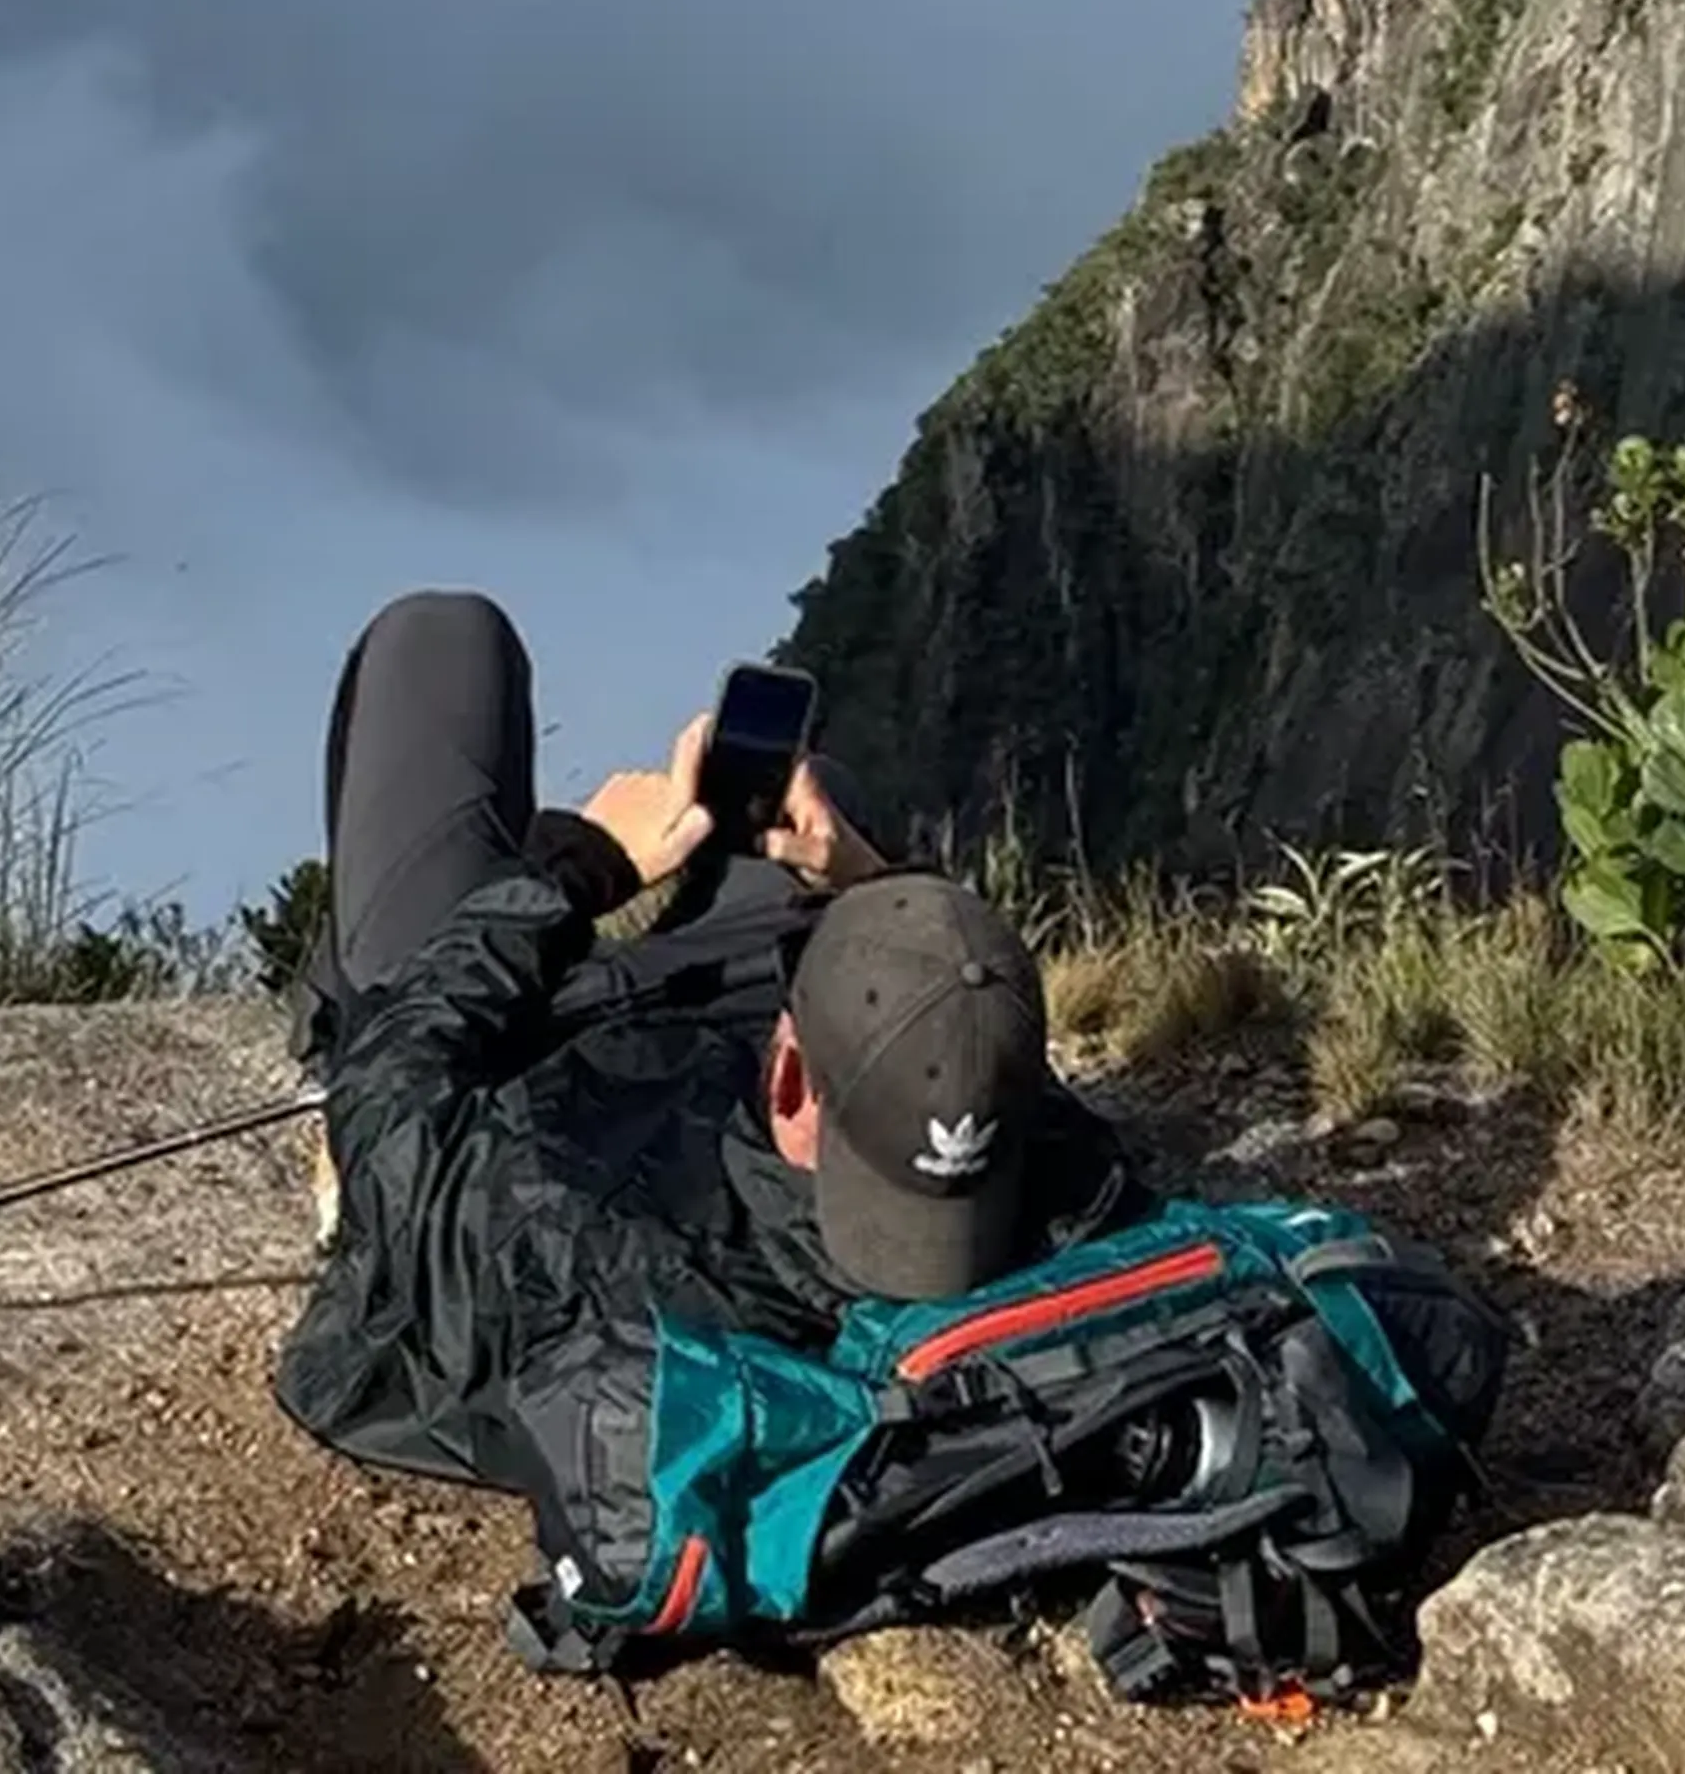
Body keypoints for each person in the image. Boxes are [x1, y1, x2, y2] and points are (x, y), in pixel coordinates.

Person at [271, 590, 1136, 1494]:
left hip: (506, 1067)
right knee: (815, 794)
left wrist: (582, 862)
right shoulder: (1060, 1200)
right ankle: (818, 863)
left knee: (441, 636)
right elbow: (962, 1012)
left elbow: (390, 1092)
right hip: (709, 1055)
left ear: (793, 1072)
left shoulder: (563, 1239)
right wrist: (870, 885)